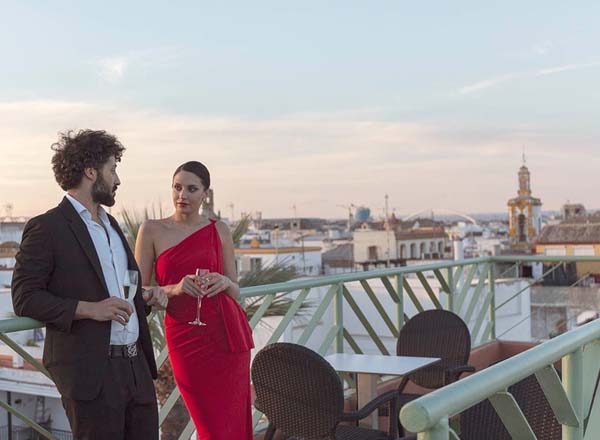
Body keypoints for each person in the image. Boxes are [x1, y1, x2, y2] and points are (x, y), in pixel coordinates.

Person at [12, 130, 168, 440]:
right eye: (113, 169)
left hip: (136, 369)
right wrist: (89, 310)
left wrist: (145, 297)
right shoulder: (47, 227)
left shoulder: (112, 226)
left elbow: (121, 288)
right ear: (90, 171)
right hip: (91, 374)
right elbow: (25, 298)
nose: (117, 179)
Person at [135, 161, 254, 439]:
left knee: (230, 424)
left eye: (191, 189)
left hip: (227, 336)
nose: (182, 195)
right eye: (177, 188)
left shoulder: (219, 230)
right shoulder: (151, 230)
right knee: (208, 425)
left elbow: (236, 291)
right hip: (185, 337)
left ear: (204, 194)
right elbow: (139, 291)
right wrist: (174, 289)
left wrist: (225, 282)